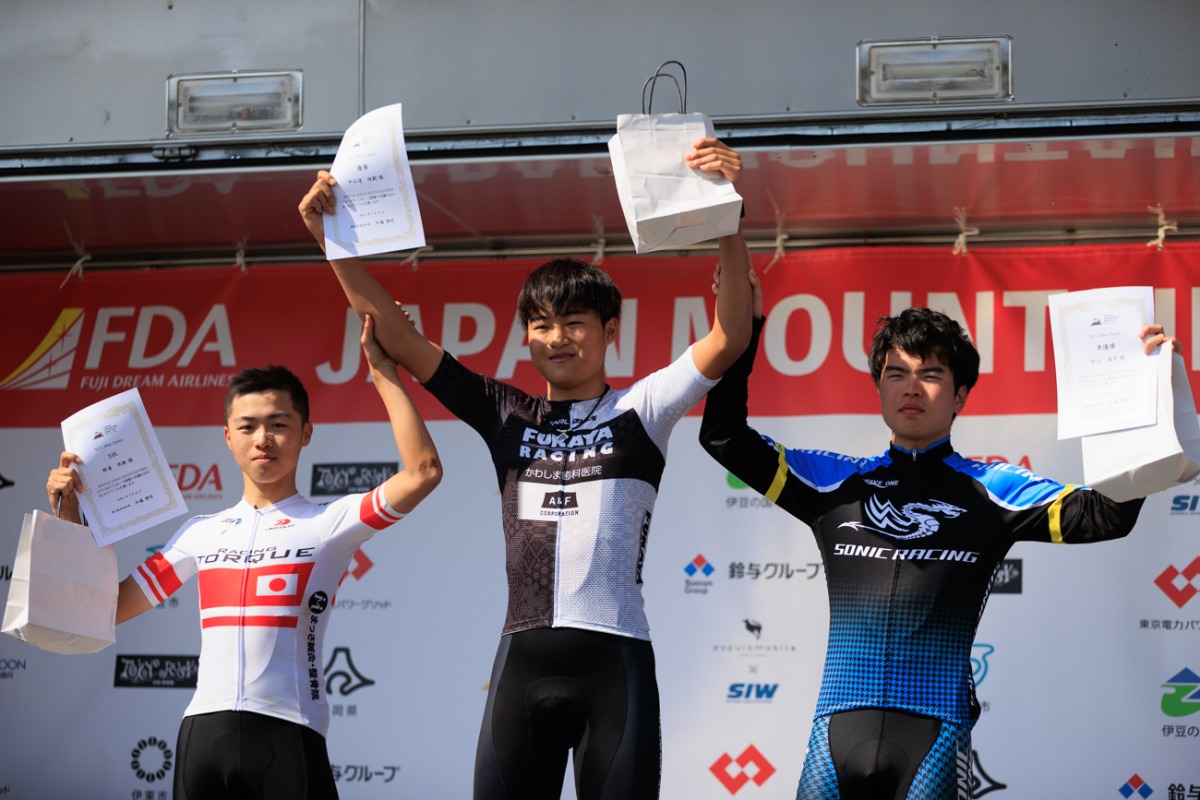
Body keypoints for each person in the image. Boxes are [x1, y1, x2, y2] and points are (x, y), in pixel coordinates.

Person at [297, 138, 753, 799]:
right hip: (522, 663)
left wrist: (728, 218)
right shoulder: (504, 412)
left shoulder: (643, 408)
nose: (556, 338)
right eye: (541, 324)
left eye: (574, 323)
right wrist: (331, 239)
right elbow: (397, 337)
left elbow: (730, 334)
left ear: (610, 330)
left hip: (615, 663)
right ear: (526, 336)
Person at [698, 270, 1179, 800]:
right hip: (836, 730)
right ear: (879, 387)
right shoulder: (832, 482)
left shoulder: (993, 489)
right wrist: (743, 330)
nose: (911, 387)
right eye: (896, 373)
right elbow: (723, 437)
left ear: (960, 395)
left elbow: (1107, 514)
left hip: (934, 735)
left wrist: (1141, 397)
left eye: (930, 374)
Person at [46, 316, 442, 800]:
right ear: (227, 436)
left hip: (288, 733)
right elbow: (104, 609)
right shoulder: (199, 533)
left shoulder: (330, 522)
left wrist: (382, 369)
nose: (263, 438)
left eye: (279, 424)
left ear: (306, 433)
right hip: (202, 738)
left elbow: (423, 472)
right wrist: (72, 517)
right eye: (248, 426)